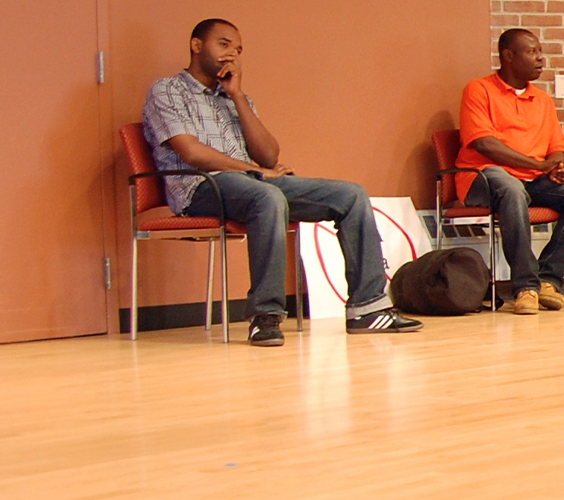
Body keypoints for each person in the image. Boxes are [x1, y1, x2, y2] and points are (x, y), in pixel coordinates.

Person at [143, 19, 421, 347]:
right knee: (267, 197)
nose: (231, 54)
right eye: (223, 44)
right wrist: (255, 171)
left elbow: (269, 154)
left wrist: (238, 96)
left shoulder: (233, 98)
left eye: (238, 49)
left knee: (350, 195)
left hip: (252, 182)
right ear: (196, 45)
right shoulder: (168, 90)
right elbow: (192, 152)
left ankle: (368, 308)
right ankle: (266, 316)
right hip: (200, 187)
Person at [454, 28, 564, 315]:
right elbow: (484, 143)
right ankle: (525, 286)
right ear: (508, 56)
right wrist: (538, 166)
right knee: (510, 187)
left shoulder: (543, 100)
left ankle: (548, 281)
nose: (541, 59)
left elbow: (555, 147)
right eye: (532, 52)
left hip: (531, 180)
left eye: (540, 52)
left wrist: (556, 167)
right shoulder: (479, 89)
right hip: (483, 176)